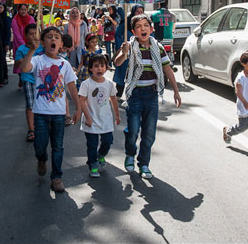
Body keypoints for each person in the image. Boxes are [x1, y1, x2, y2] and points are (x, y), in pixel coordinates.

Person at [114, 14, 182, 179]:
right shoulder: (129, 46)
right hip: (135, 95)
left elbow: (167, 69)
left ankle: (144, 164)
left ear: (151, 29)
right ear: (133, 31)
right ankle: (130, 154)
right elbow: (117, 62)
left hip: (151, 96)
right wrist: (124, 53)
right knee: (133, 130)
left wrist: (175, 90)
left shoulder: (157, 47)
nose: (143, 29)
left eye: (146, 25)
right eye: (139, 26)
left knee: (149, 133)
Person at [20, 26, 81, 193]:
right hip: (40, 113)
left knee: (58, 146)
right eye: (49, 37)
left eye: (56, 37)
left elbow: (71, 87)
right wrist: (32, 50)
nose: (53, 39)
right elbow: (24, 68)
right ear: (42, 42)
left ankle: (56, 177)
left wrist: (78, 108)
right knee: (40, 146)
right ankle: (41, 159)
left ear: (61, 43)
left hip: (59, 114)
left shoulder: (65, 64)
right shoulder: (38, 60)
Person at [78, 54, 120, 178]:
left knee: (108, 141)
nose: (99, 69)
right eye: (96, 66)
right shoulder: (86, 84)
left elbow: (113, 99)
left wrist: (117, 116)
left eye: (102, 66)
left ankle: (100, 155)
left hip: (105, 119)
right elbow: (82, 100)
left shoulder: (109, 84)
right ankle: (93, 165)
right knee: (92, 144)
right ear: (90, 68)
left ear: (106, 68)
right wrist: (88, 117)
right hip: (91, 120)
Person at [15, 23, 44, 142]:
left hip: (41, 79)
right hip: (28, 79)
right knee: (30, 104)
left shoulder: (42, 47)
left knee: (42, 104)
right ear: (26, 36)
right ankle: (31, 129)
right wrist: (27, 57)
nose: (33, 36)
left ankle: (41, 125)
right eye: (31, 34)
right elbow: (18, 65)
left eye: (35, 34)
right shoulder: (21, 49)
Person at [12, 3, 36, 84]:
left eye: (25, 10)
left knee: (30, 61)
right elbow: (17, 34)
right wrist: (23, 46)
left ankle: (28, 79)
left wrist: (32, 43)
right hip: (19, 45)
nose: (23, 11)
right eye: (22, 9)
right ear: (18, 10)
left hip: (31, 45)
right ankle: (21, 77)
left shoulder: (31, 19)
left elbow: (34, 31)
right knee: (20, 62)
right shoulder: (15, 20)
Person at [0, 0, 11, 85]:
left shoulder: (6, 18)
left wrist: (7, 43)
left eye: (1, 7)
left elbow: (7, 32)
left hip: (3, 42)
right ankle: (0, 77)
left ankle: (5, 77)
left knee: (2, 60)